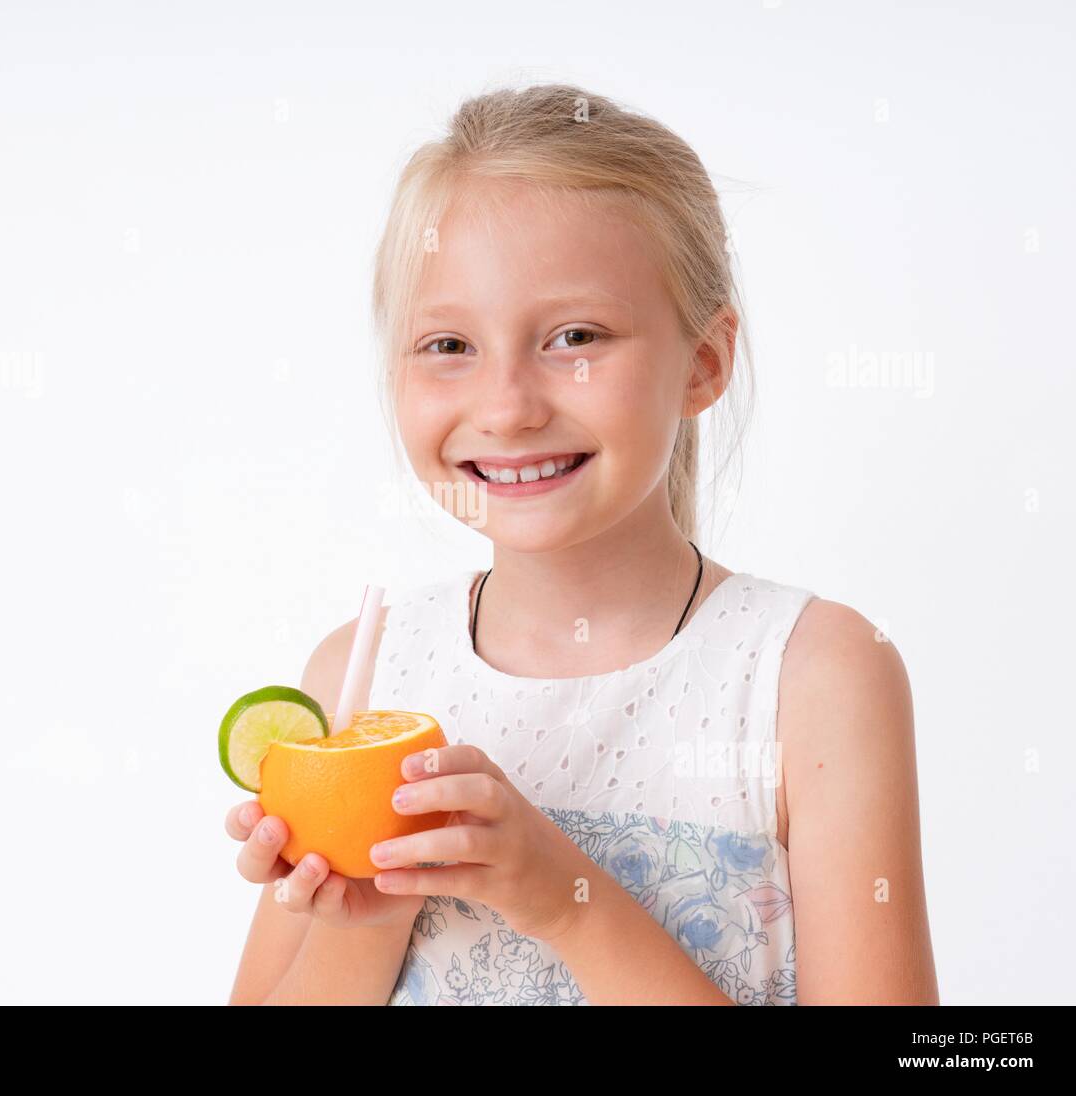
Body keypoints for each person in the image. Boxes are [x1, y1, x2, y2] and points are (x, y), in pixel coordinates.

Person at [226, 83, 939, 1006]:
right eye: (448, 344)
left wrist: (566, 903)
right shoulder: (361, 678)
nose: (509, 406)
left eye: (574, 337)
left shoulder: (812, 677)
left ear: (705, 362)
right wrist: (372, 913)